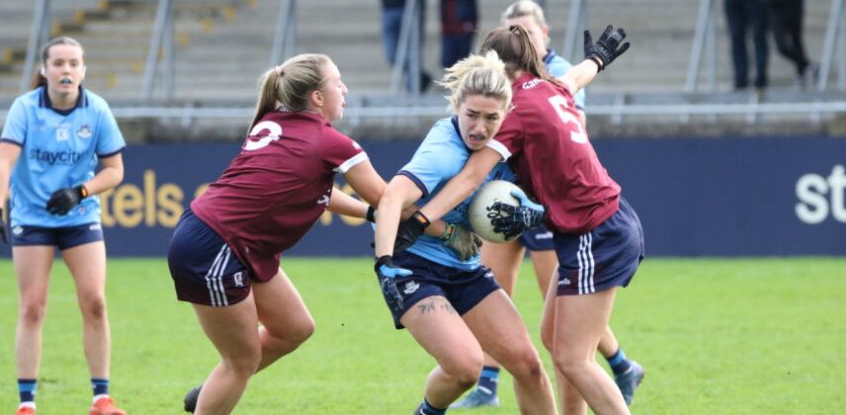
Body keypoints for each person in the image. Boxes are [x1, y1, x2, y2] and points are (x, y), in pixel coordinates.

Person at [172, 53, 468, 414]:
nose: (344, 89)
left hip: (228, 240)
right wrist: (447, 231)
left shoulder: (275, 120)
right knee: (242, 361)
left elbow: (323, 194)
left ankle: (218, 385)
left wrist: (370, 213)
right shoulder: (332, 143)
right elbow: (391, 199)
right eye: (337, 81)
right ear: (316, 97)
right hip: (217, 245)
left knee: (294, 327)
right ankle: (228, 379)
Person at [390, 23, 643, 415]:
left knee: (574, 359)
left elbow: (472, 175)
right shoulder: (548, 88)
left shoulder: (513, 111)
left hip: (595, 231)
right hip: (604, 222)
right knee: (556, 344)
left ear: (496, 66)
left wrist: (422, 219)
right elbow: (575, 77)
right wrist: (599, 58)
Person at [373, 51, 557, 415]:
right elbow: (391, 197)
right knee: (466, 367)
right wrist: (384, 262)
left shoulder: (506, 149)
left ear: (506, 115)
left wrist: (532, 214)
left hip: (464, 266)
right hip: (412, 265)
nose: (479, 127)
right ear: (456, 105)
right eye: (471, 115)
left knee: (529, 366)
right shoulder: (443, 151)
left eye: (491, 118)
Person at [0, 37, 127, 415]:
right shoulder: (24, 109)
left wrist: (81, 191)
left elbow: (115, 171)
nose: (66, 70)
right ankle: (27, 404)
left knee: (96, 302)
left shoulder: (98, 110)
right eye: (58, 63)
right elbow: (5, 161)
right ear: (44, 70)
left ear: (83, 70)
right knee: (33, 307)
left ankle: (101, 398)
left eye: (73, 63)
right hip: (32, 218)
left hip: (79, 216)